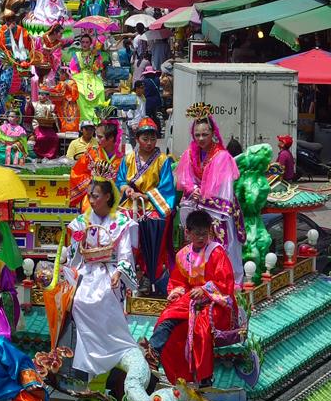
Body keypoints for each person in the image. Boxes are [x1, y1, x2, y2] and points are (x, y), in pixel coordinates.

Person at [145, 210, 237, 386]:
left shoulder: (216, 253)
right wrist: (176, 292)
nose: (201, 238)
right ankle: (154, 351)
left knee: (201, 328)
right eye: (197, 233)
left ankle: (204, 378)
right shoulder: (183, 255)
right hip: (191, 299)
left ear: (210, 231)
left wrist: (205, 291)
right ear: (188, 232)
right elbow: (178, 281)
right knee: (169, 315)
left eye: (204, 233)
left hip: (215, 303)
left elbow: (226, 283)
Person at [66, 176, 138, 378]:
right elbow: (74, 253)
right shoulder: (82, 222)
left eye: (95, 196)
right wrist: (70, 270)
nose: (90, 199)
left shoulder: (121, 222)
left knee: (107, 296)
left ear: (107, 196)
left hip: (109, 270)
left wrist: (119, 272)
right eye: (89, 195)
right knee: (78, 301)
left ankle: (114, 353)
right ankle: (87, 360)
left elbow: (125, 254)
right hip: (87, 270)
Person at [176, 111, 245, 284]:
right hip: (197, 204)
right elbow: (185, 179)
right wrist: (192, 189)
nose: (200, 138)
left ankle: (227, 283)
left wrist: (203, 196)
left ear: (213, 134)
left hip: (218, 209)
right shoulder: (189, 154)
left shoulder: (222, 157)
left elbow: (223, 189)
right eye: (197, 134)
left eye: (205, 134)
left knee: (222, 246)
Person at [116, 118, 176, 290]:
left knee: (155, 222)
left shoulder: (163, 160)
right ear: (137, 139)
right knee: (121, 222)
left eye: (152, 139)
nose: (149, 143)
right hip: (130, 202)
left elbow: (166, 188)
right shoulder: (128, 159)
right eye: (145, 139)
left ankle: (151, 273)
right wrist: (127, 189)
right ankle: (125, 270)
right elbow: (120, 180)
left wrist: (146, 195)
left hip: (152, 204)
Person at [70, 120, 123, 208]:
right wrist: (94, 182)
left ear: (111, 138)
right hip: (92, 197)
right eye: (97, 136)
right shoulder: (91, 153)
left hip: (114, 199)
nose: (97, 140)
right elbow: (77, 173)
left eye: (100, 137)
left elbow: (125, 181)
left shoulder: (122, 158)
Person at [69, 33, 106, 122]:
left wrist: (97, 57)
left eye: (87, 42)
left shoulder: (95, 53)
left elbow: (97, 69)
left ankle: (97, 117)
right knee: (79, 91)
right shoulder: (76, 55)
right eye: (83, 42)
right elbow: (73, 70)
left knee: (100, 90)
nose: (85, 44)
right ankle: (83, 118)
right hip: (80, 77)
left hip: (92, 76)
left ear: (90, 43)